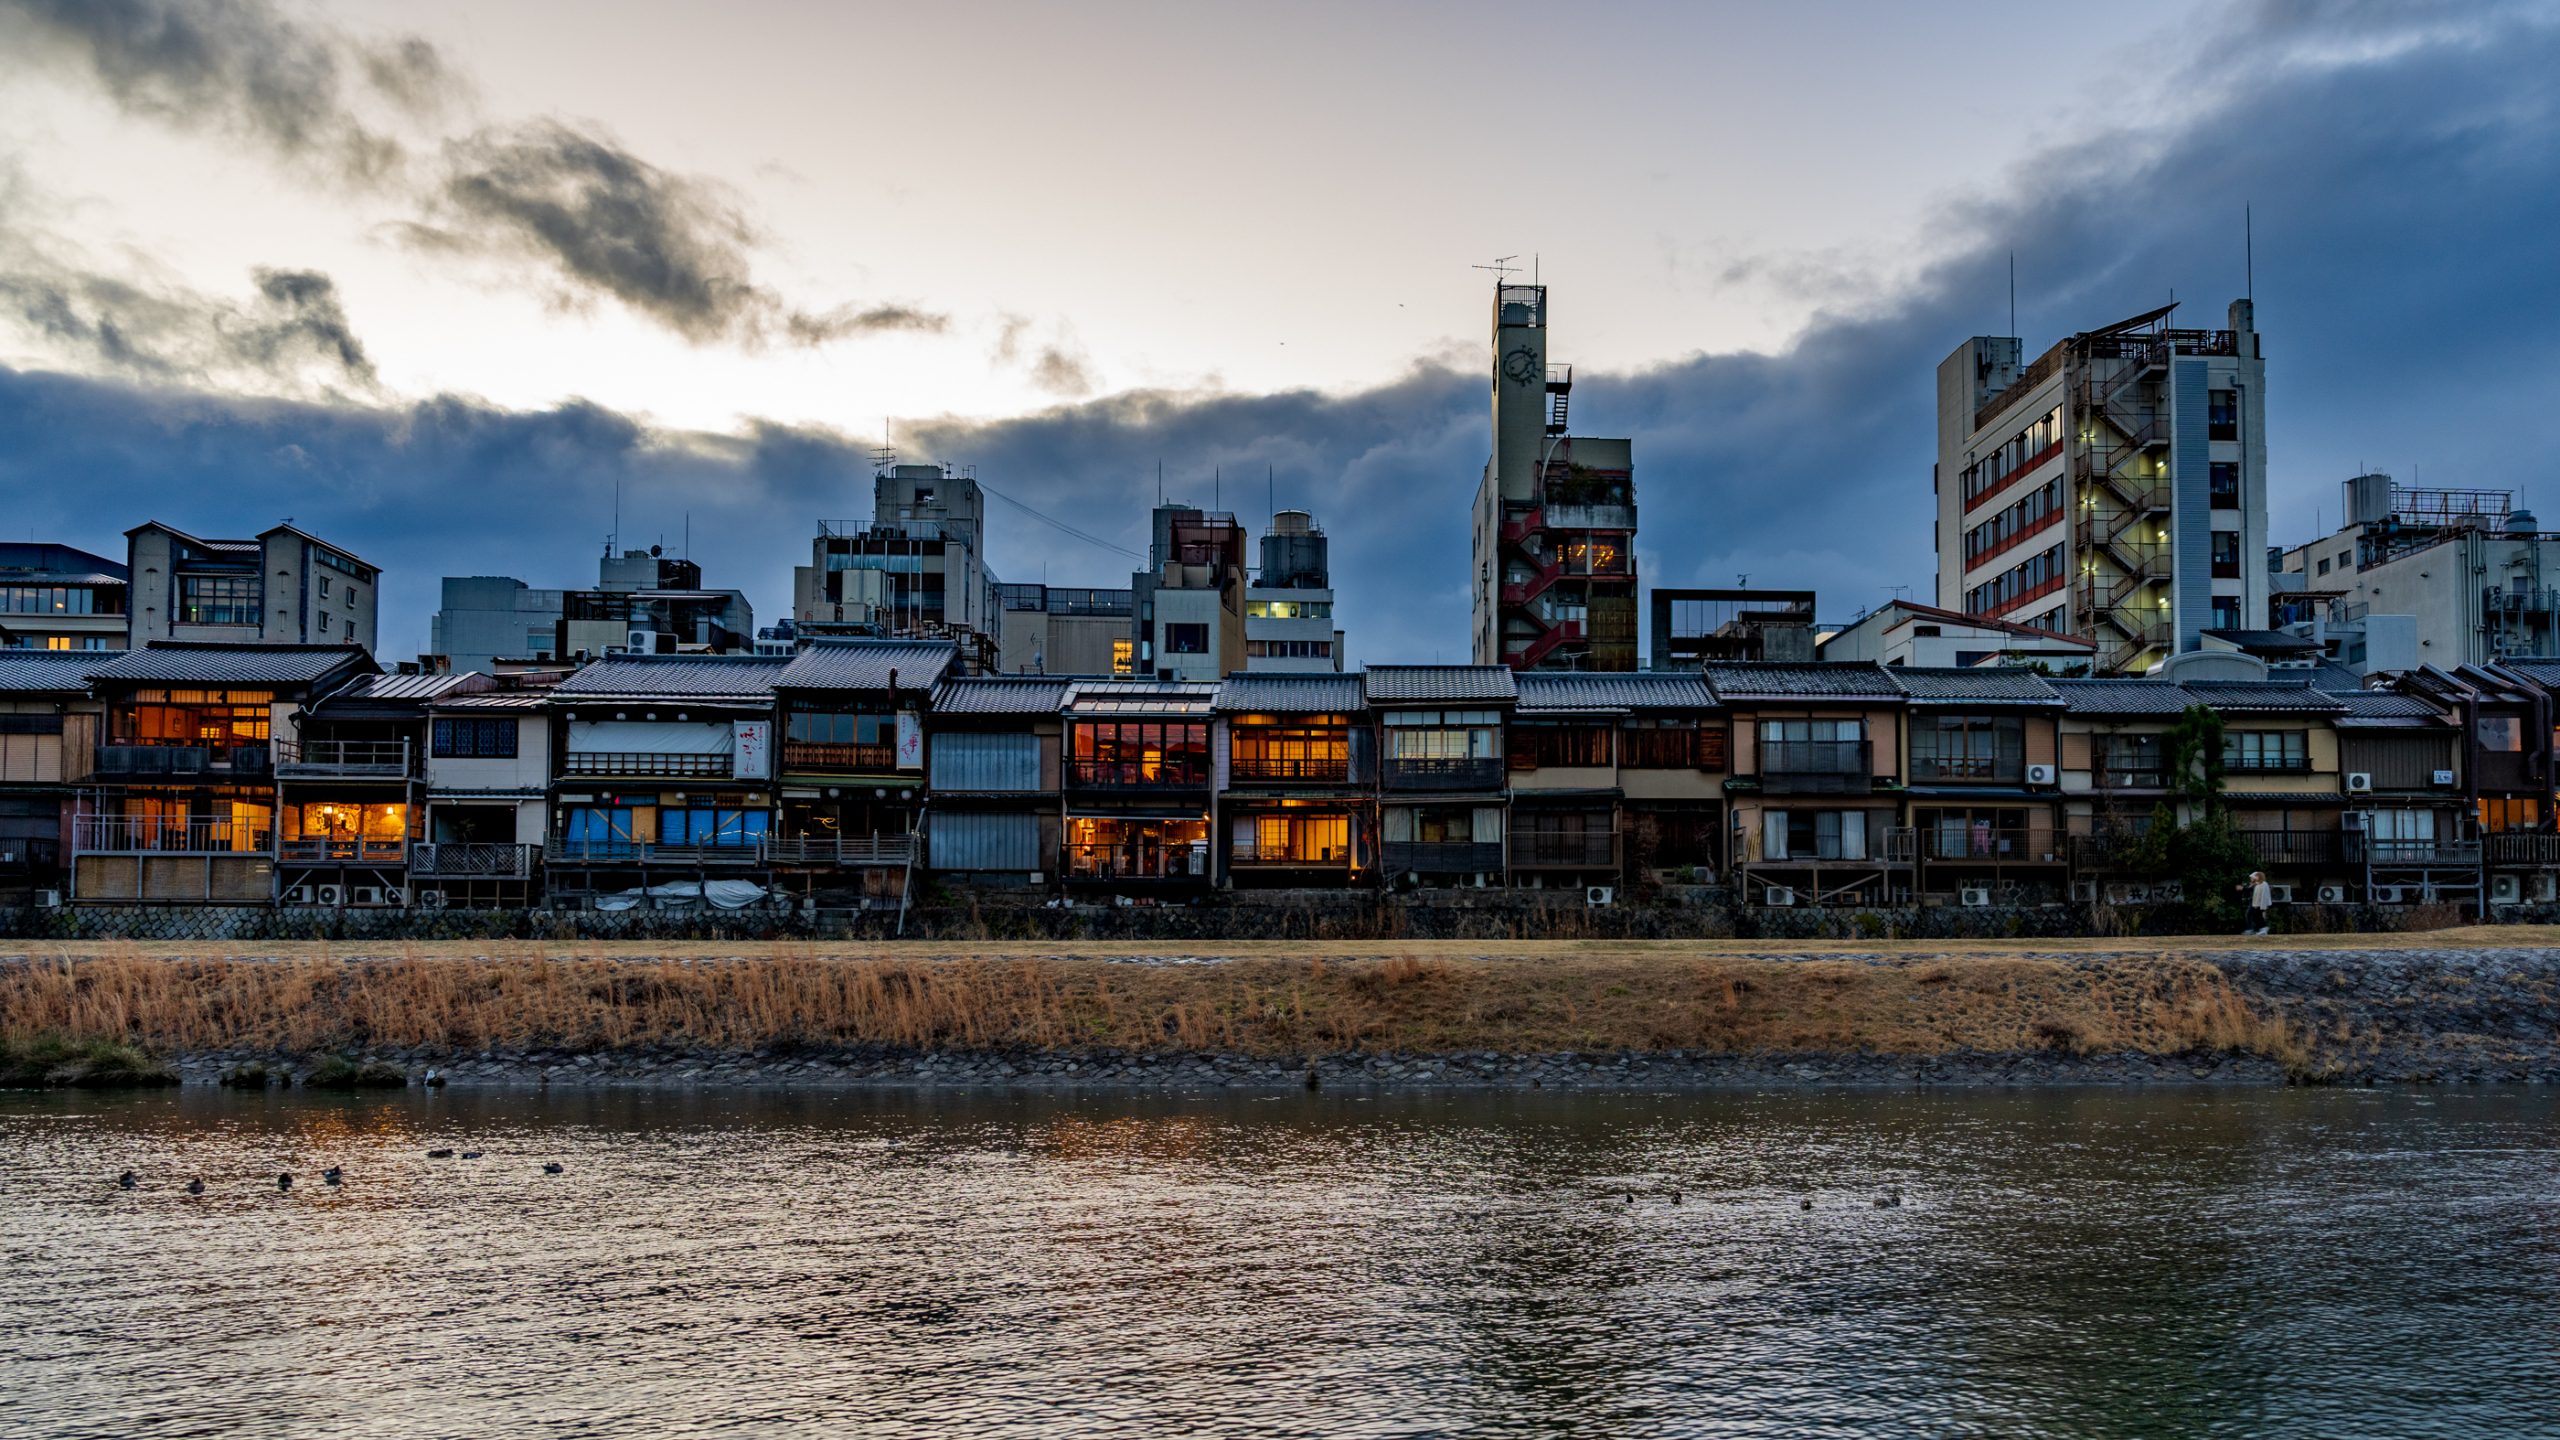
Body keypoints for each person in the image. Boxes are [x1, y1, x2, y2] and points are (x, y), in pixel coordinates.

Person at [2236, 869, 2272, 935]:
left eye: (2257, 876)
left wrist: (2262, 905)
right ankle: (2262, 929)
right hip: (2256, 903)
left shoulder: (2263, 884)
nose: (2255, 877)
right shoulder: (2257, 884)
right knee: (2257, 916)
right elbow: (2251, 891)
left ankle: (2260, 929)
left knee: (2256, 916)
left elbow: (2264, 895)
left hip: (2259, 904)